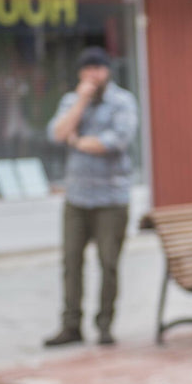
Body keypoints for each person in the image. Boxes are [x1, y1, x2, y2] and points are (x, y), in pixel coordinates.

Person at [43, 46, 139, 348]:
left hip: (111, 197)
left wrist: (80, 142)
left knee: (108, 263)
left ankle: (105, 325)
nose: (92, 75)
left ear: (107, 71)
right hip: (77, 197)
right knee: (71, 262)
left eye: (97, 69)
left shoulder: (122, 101)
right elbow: (57, 134)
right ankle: (71, 325)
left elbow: (117, 140)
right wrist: (81, 102)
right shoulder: (71, 101)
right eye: (87, 70)